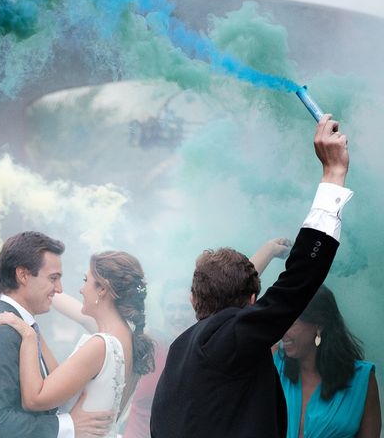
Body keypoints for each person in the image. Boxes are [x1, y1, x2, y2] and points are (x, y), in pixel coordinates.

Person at [150, 114, 352, 438]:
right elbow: (301, 278)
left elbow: (229, 297)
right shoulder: (230, 339)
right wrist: (333, 174)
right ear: (252, 301)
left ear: (192, 299)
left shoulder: (182, 347)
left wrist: (264, 256)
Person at [122, 239, 291, 438]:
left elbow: (231, 289)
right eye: (171, 308)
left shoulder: (218, 340)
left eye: (182, 309)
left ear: (194, 303)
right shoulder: (153, 343)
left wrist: (268, 251)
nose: (177, 315)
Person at [0, 250, 156, 437]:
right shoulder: (128, 337)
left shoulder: (100, 346)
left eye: (85, 280)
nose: (81, 289)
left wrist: (29, 338)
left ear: (102, 289)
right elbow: (62, 379)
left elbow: (34, 399)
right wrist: (33, 292)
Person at [0, 231, 114, 438]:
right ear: (23, 275)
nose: (59, 288)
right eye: (53, 278)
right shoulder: (0, 332)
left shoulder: (25, 329)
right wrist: (69, 425)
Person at [275, 284, 381, 438]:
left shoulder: (362, 380)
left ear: (319, 324)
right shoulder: (274, 364)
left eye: (292, 323)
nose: (283, 332)